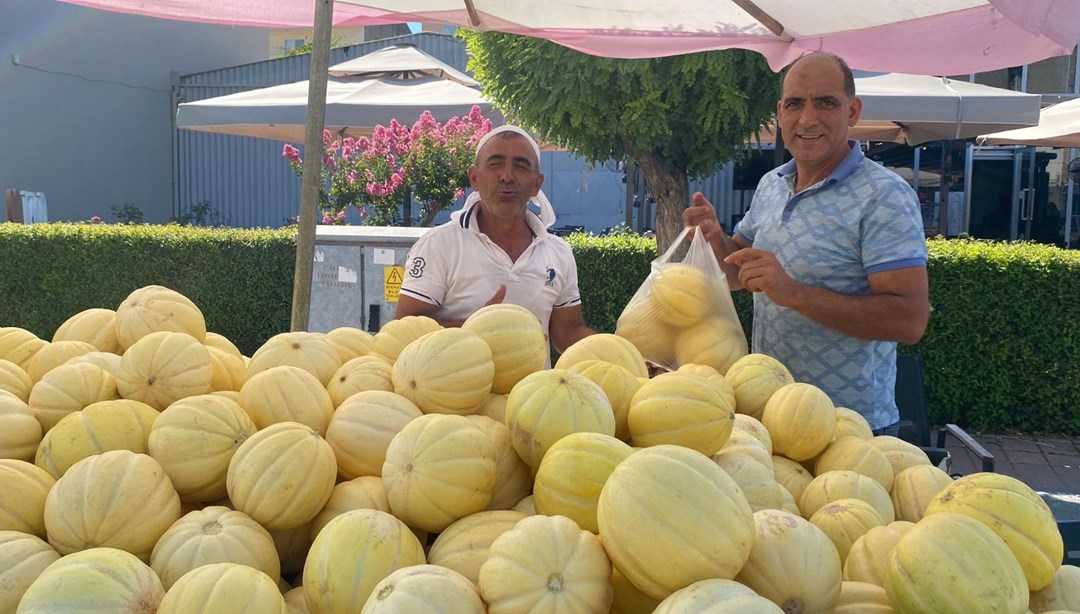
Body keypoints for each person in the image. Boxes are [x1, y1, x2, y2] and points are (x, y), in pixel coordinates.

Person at [683, 52, 930, 436]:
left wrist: (793, 293)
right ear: (780, 113)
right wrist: (715, 236)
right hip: (766, 416)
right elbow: (734, 275)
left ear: (852, 111)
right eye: (796, 103)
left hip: (847, 428)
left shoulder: (885, 195)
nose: (808, 118)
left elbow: (909, 321)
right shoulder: (771, 184)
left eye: (826, 102)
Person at [394, 124, 595, 360]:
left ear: (536, 184)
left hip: (533, 395)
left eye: (521, 166)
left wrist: (619, 354)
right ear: (474, 178)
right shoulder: (439, 245)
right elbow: (404, 329)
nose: (507, 176)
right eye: (495, 163)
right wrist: (478, 327)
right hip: (461, 394)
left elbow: (568, 332)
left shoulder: (558, 252)